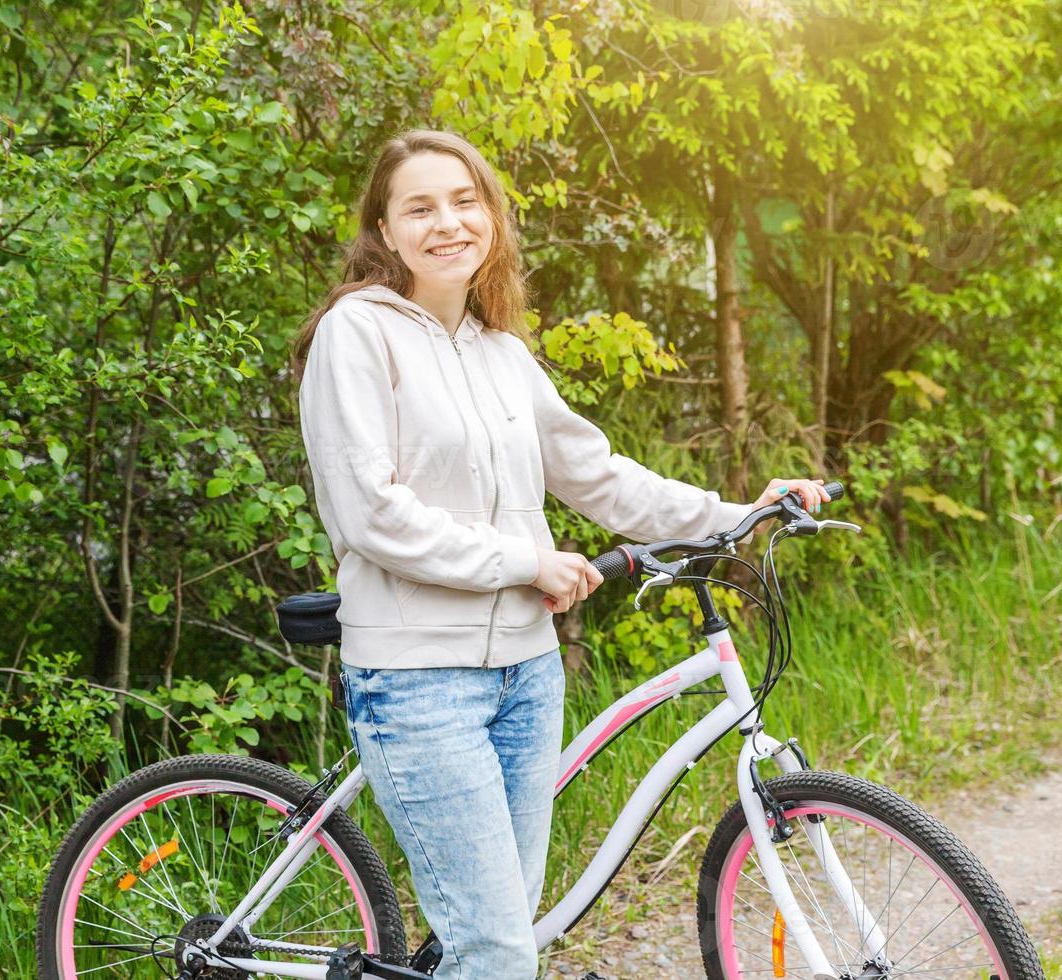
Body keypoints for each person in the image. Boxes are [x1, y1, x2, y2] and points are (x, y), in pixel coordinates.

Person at [292, 128, 829, 980]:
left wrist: (739, 511)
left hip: (527, 677)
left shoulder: (501, 353)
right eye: (420, 208)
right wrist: (523, 561)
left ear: (492, 219)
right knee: (499, 954)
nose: (448, 224)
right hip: (418, 681)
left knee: (499, 939)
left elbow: (597, 476)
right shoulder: (356, 335)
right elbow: (370, 514)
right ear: (385, 233)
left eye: (465, 202)